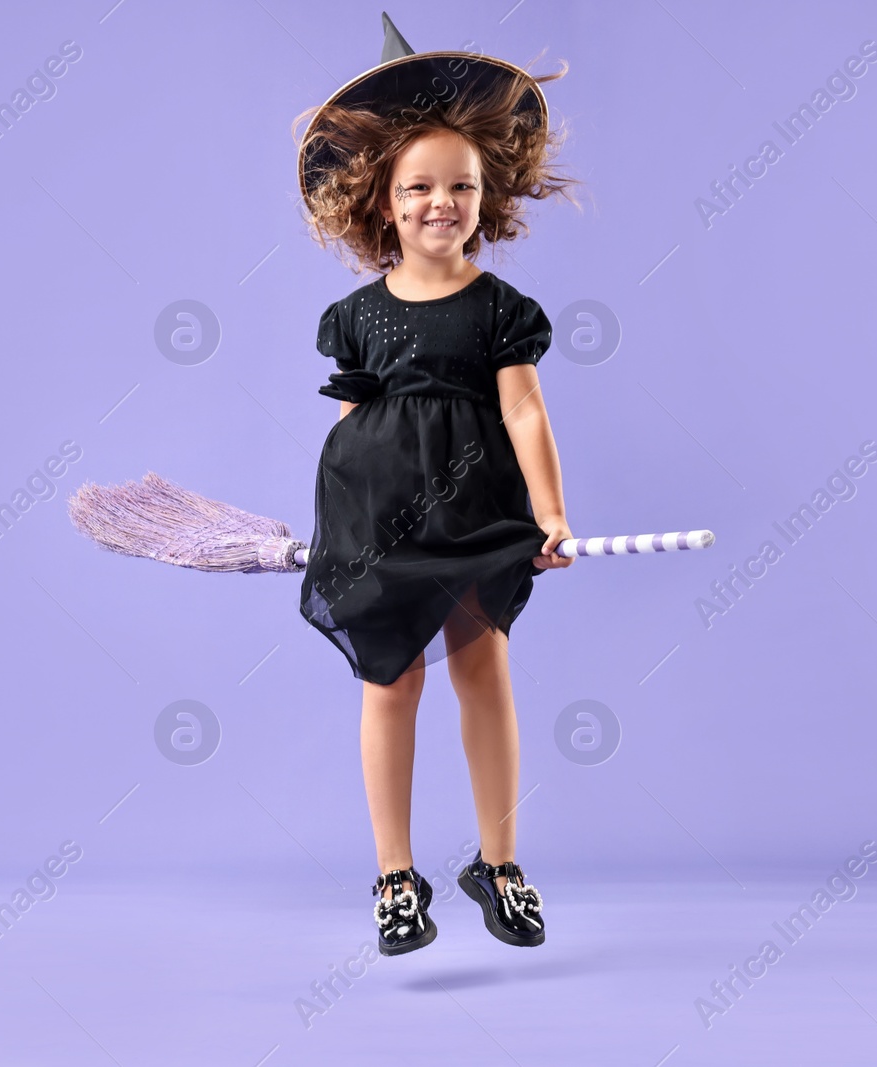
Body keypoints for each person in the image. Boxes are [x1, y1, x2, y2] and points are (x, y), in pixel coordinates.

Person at [294, 14, 577, 954]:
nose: (440, 202)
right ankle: (394, 875)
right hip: (378, 525)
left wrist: (551, 514)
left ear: (486, 195)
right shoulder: (356, 318)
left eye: (460, 185)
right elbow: (348, 437)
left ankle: (499, 863)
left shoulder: (500, 309)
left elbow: (527, 413)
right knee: (389, 685)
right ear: (381, 201)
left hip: (478, 516)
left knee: (483, 673)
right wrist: (336, 533)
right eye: (418, 186)